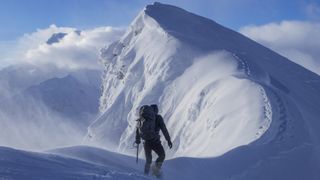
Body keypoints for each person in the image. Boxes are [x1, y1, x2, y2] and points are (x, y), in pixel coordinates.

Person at [135, 104, 172, 176]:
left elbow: (138, 128)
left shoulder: (143, 118)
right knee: (162, 155)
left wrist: (137, 139)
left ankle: (145, 175)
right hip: (155, 141)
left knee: (148, 160)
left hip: (146, 142)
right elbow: (164, 129)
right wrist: (168, 140)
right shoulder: (158, 118)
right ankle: (155, 171)